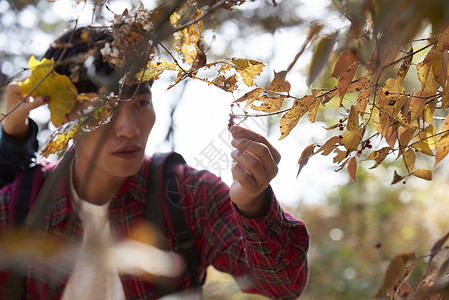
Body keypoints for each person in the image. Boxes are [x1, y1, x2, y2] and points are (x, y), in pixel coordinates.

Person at [0, 26, 309, 299]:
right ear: (63, 117)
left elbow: (283, 286)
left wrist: (254, 206)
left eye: (141, 103)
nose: (130, 129)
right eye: (103, 111)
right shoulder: (20, 205)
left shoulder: (187, 194)